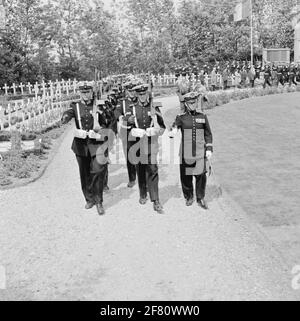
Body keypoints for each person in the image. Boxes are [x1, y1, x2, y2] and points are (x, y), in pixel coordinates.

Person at [61, 82, 116, 216]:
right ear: (80, 93)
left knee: (97, 170)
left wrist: (103, 114)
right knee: (84, 174)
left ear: (92, 92)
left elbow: (108, 122)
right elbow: (67, 115)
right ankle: (89, 198)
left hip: (96, 143)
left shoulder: (99, 105)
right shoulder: (76, 106)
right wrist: (65, 117)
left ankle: (99, 202)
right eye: (83, 92)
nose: (86, 95)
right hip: (81, 145)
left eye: (88, 92)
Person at [124, 84, 166, 214]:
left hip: (151, 144)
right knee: (141, 170)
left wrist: (155, 130)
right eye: (140, 94)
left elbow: (162, 127)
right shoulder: (132, 108)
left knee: (153, 169)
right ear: (137, 95)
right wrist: (131, 126)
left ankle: (156, 199)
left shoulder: (154, 107)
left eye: (144, 94)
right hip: (137, 145)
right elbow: (125, 124)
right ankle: (143, 193)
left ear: (147, 94)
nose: (142, 96)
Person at [169, 91, 213, 210]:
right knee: (186, 176)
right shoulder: (181, 117)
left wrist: (209, 148)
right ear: (186, 104)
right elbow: (175, 126)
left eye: (194, 102)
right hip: (186, 152)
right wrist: (173, 130)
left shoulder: (202, 117)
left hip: (200, 152)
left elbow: (208, 134)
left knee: (201, 176)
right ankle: (188, 196)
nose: (193, 105)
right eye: (190, 103)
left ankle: (200, 197)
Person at [115, 81, 138, 188]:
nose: (132, 93)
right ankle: (132, 178)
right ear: (126, 91)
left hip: (139, 131)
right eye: (130, 91)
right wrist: (124, 119)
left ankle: (143, 177)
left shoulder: (140, 100)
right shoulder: (123, 102)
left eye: (134, 90)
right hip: (127, 132)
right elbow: (117, 112)